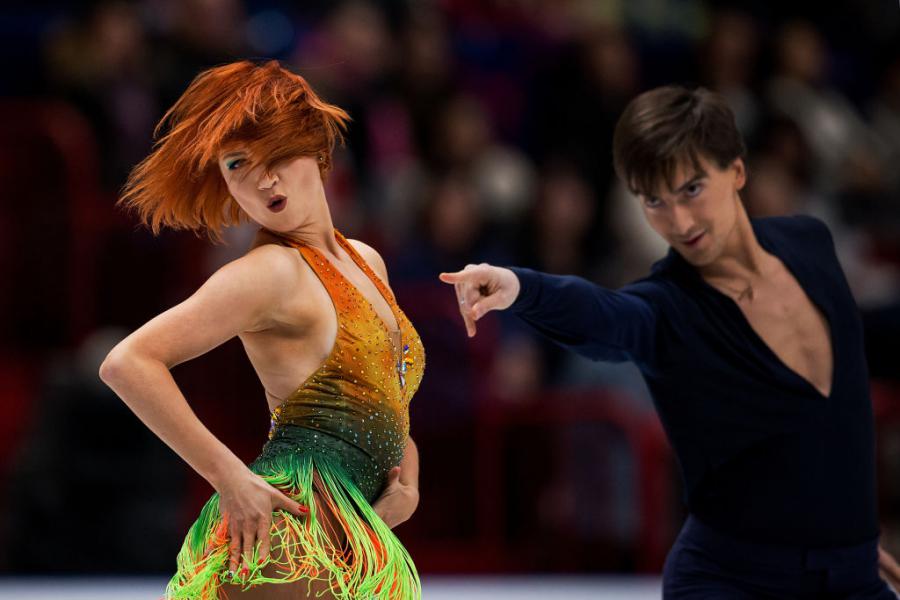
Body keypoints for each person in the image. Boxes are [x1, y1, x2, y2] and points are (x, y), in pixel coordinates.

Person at [440, 86, 900, 598]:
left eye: (692, 189)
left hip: (852, 575)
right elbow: (605, 317)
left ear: (738, 172)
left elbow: (836, 416)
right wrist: (523, 287)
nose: (678, 222)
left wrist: (846, 543)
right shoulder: (667, 307)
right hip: (732, 584)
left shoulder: (809, 241)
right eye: (654, 200)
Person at [99, 60, 425, 599]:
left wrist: (407, 481)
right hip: (288, 530)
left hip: (355, 532)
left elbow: (385, 400)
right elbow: (127, 363)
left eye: (275, 154)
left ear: (319, 151)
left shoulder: (364, 259)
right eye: (237, 165)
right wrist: (228, 476)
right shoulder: (268, 273)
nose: (262, 178)